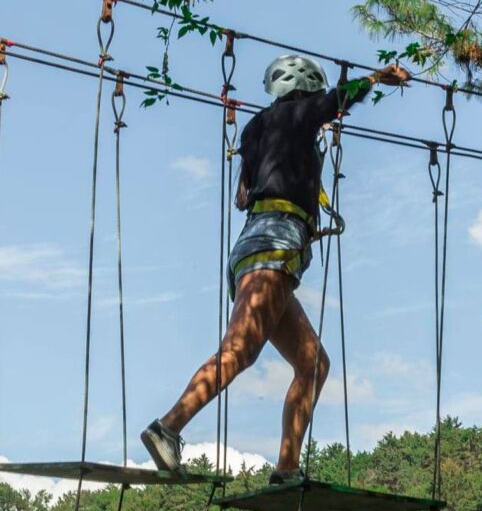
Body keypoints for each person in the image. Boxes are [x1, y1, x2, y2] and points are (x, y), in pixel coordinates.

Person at [140, 54, 409, 484]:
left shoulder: (255, 128)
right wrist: (377, 78)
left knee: (313, 363)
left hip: (261, 245)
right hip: (275, 245)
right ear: (305, 91)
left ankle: (286, 468)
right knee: (241, 350)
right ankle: (167, 426)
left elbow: (242, 197)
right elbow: (336, 101)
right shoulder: (299, 114)